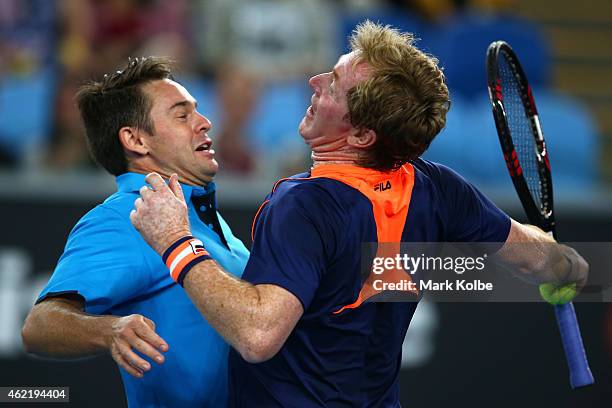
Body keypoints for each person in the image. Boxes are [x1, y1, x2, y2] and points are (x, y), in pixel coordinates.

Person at [130, 22, 588, 407]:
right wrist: (568, 264)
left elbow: (257, 334)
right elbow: (537, 261)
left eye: (333, 85)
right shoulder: (437, 186)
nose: (313, 82)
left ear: (363, 135)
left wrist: (175, 242)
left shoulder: (304, 203)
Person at [21, 57, 250, 407]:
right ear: (136, 139)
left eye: (197, 111)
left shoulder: (201, 213)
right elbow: (39, 325)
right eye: (182, 115)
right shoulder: (125, 218)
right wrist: (108, 330)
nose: (204, 123)